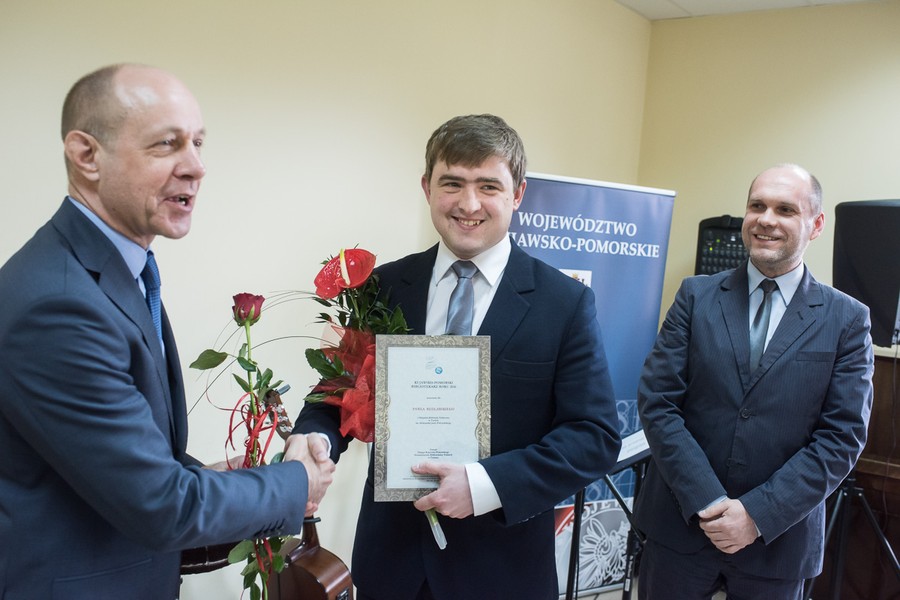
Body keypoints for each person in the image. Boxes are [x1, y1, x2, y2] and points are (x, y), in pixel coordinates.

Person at [0, 64, 334, 599]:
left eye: (199, 143)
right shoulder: (58, 303)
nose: (196, 167)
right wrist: (297, 484)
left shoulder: (118, 271)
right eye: (167, 145)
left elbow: (122, 465)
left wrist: (220, 482)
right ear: (86, 156)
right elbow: (162, 506)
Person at [292, 114, 622, 599]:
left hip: (502, 571)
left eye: (489, 185)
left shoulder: (563, 302)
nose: (469, 204)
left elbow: (593, 436)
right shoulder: (384, 287)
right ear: (427, 188)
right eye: (453, 183)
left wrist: (486, 484)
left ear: (518, 194)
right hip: (391, 564)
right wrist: (313, 435)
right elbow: (337, 393)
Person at [633, 164, 874, 599]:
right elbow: (658, 403)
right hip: (681, 531)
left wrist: (756, 515)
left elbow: (842, 437)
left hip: (778, 544)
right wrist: (708, 502)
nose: (766, 219)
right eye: (757, 206)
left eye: (785, 209)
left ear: (815, 225)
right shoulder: (695, 297)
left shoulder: (846, 320)